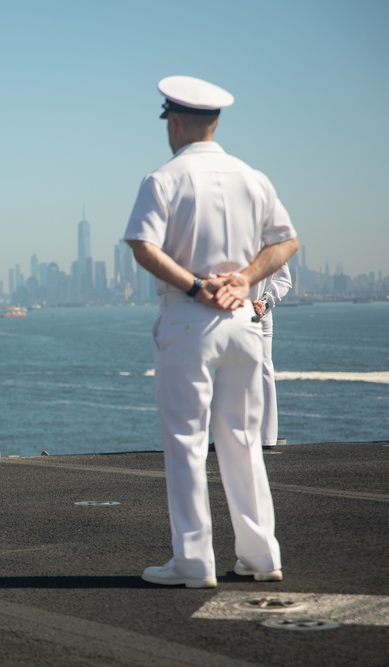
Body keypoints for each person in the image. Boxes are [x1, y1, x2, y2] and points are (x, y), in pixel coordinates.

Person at [123, 76, 298, 588]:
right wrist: (243, 278)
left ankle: (193, 563)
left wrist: (199, 286)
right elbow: (286, 243)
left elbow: (142, 246)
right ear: (216, 122)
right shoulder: (253, 177)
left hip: (189, 320)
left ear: (174, 122)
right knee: (243, 439)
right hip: (244, 321)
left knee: (186, 442)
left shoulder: (163, 179)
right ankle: (262, 556)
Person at [253, 263, 293, 449]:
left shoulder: (268, 234)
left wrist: (264, 302)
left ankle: (266, 438)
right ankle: (230, 437)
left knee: (263, 371)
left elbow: (283, 279)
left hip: (258, 314)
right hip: (223, 312)